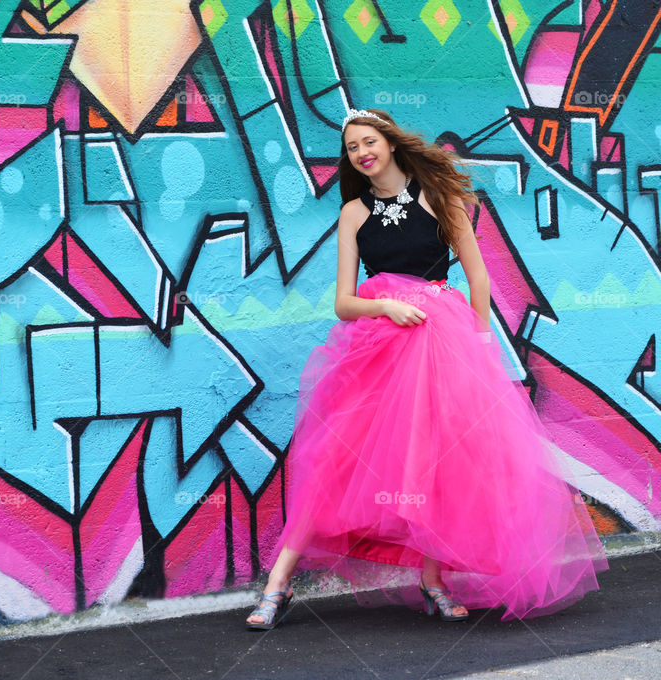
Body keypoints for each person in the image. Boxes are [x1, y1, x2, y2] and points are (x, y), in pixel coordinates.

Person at [245, 108, 609, 629]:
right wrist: (385, 306)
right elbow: (344, 303)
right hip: (374, 351)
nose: (362, 153)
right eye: (352, 147)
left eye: (369, 142)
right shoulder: (353, 213)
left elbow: (478, 279)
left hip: (441, 344)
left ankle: (433, 580)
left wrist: (479, 345)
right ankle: (278, 585)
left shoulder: (440, 199)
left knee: (440, 464)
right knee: (335, 463)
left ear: (391, 143)